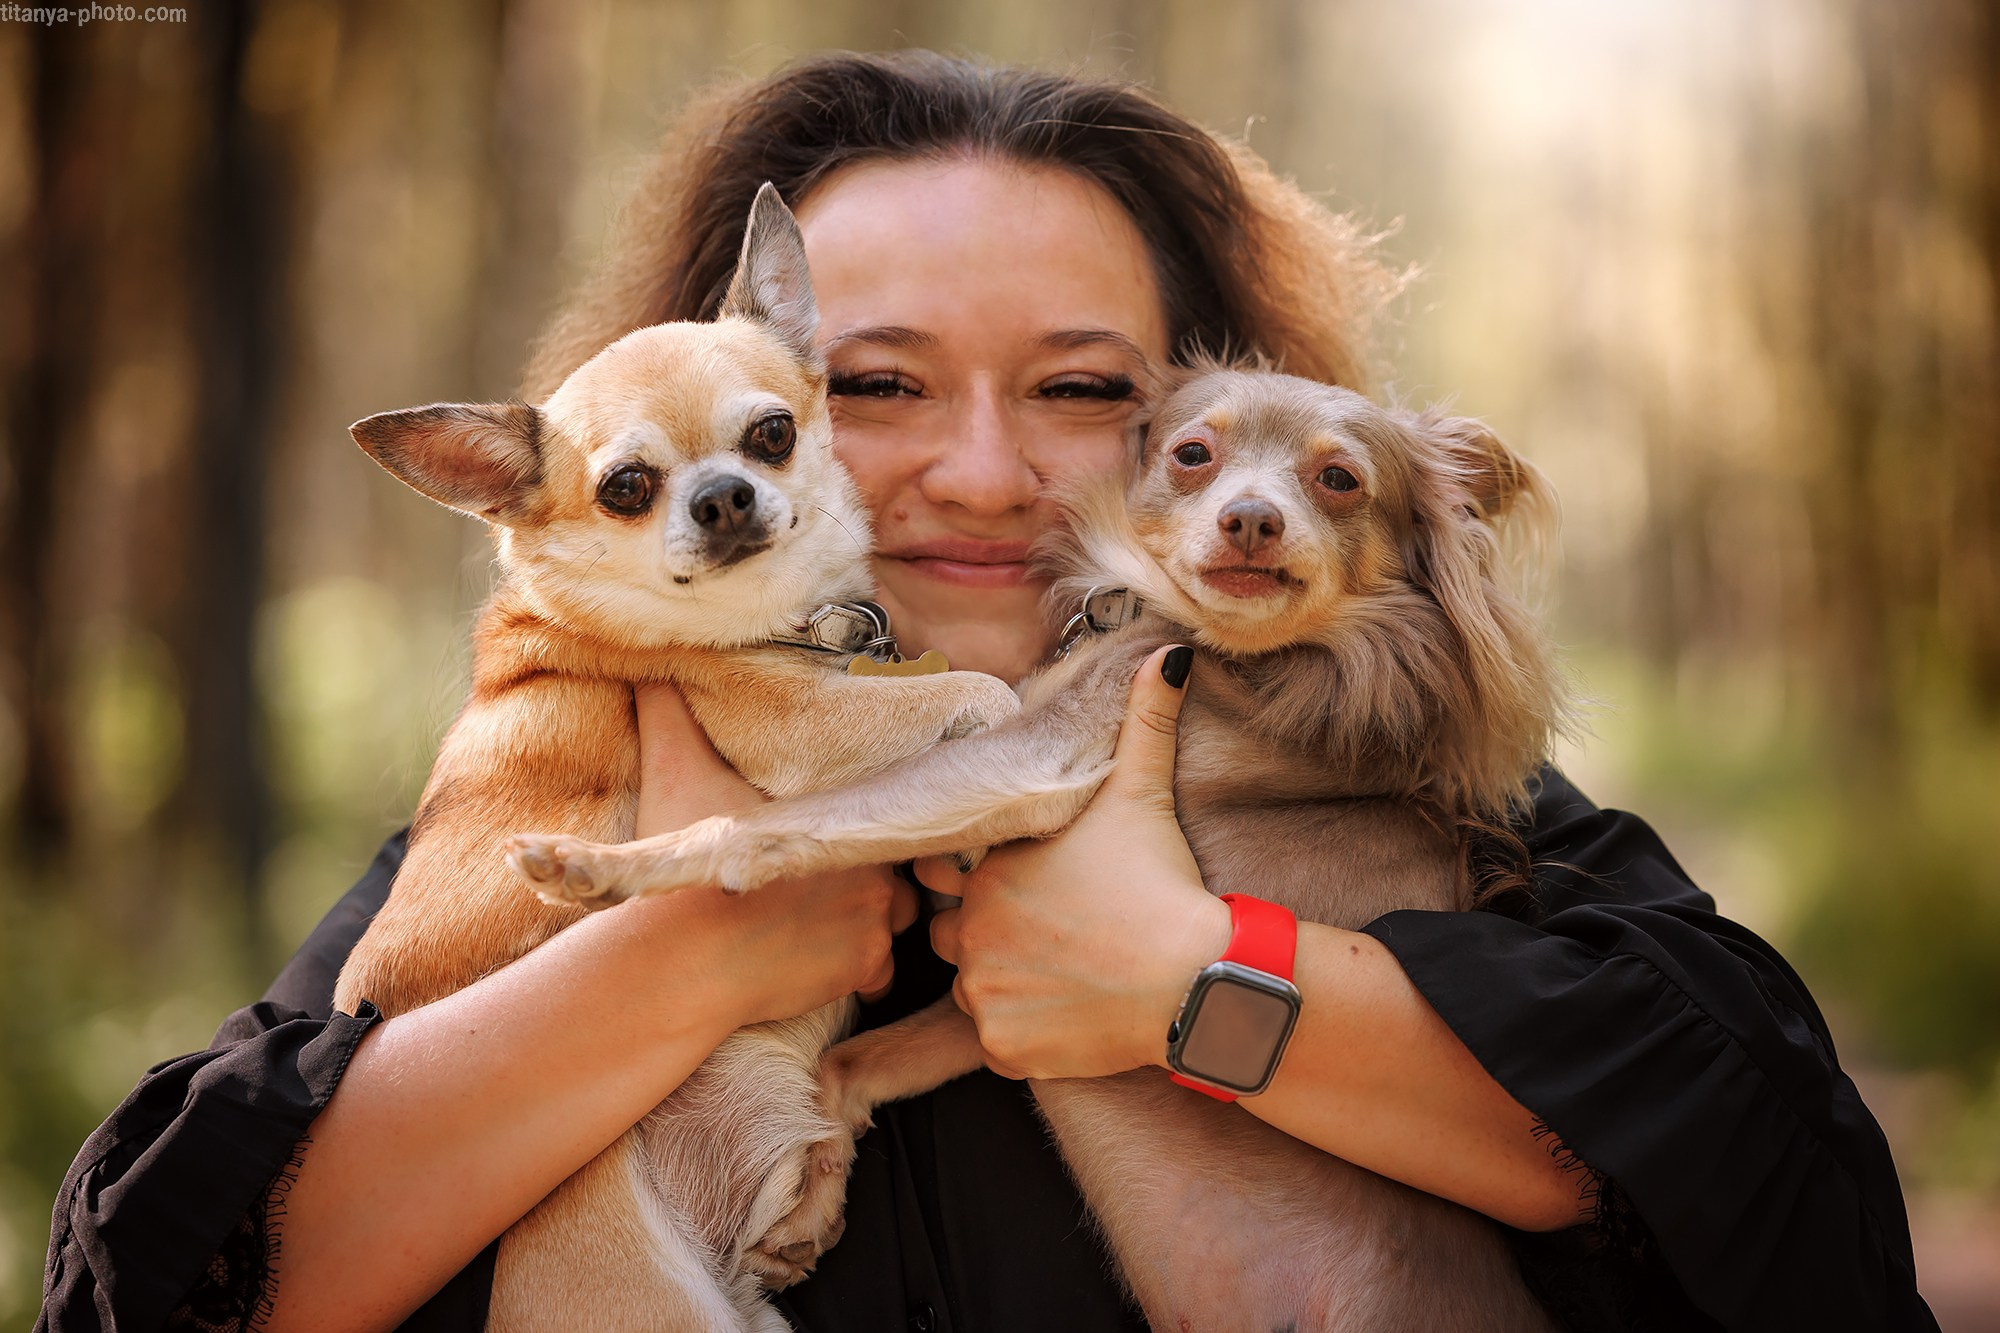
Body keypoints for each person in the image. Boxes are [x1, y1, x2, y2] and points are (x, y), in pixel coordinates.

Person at [40, 51, 1937, 1333]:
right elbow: (144, 1278)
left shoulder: (1407, 795)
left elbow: (1806, 1223)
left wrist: (1201, 977)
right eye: (870, 387)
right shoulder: (548, 811)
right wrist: (695, 945)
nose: (975, 472)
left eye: (1086, 390)